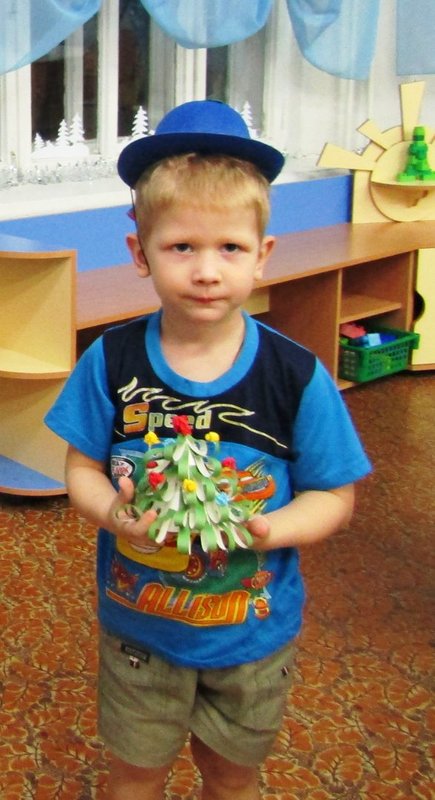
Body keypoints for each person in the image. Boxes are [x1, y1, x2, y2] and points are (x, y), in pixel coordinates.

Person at [45, 100, 371, 800]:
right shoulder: (111, 360)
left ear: (262, 255)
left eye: (230, 248)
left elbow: (333, 495)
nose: (206, 271)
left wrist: (272, 528)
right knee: (134, 776)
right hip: (139, 633)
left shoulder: (295, 375)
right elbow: (80, 468)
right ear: (139, 252)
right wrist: (114, 513)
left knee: (231, 777)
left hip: (251, 640)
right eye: (181, 247)